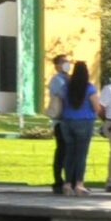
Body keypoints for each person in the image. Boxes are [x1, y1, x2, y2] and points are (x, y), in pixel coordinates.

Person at [50, 61, 98, 195]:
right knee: (81, 155)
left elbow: (60, 100)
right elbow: (96, 107)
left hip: (66, 122)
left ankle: (67, 184)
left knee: (70, 154)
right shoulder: (89, 88)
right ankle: (79, 184)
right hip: (84, 122)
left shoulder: (66, 87)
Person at [46, 54, 73, 195]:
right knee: (62, 151)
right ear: (56, 66)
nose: (66, 64)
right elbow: (64, 95)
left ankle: (71, 181)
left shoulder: (68, 78)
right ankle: (58, 181)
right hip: (61, 121)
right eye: (63, 62)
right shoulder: (57, 80)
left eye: (67, 61)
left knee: (70, 152)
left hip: (71, 120)